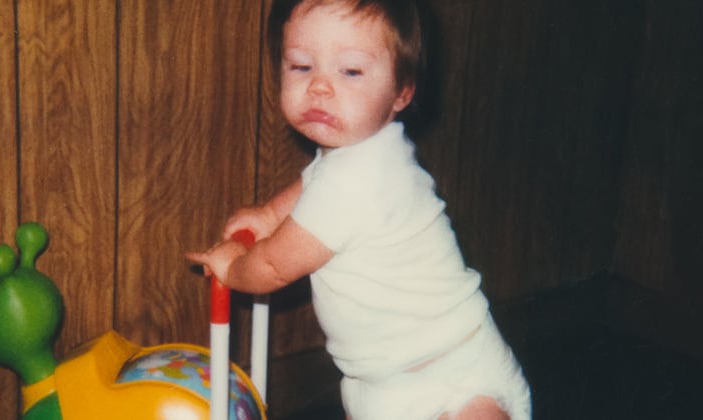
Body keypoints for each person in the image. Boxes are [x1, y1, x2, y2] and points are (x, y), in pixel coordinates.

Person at [186, 1, 531, 419]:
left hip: (457, 379)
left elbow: (273, 269)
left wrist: (232, 266)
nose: (319, 86)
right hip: (378, 385)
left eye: (350, 71)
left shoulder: (355, 183)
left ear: (402, 92)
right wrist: (269, 215)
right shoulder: (362, 154)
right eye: (300, 66)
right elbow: (312, 183)